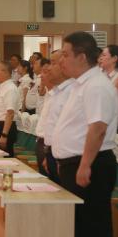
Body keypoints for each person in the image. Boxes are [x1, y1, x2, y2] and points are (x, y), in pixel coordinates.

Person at [52, 32, 118, 237]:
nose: (61, 61)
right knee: (79, 229)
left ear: (81, 57)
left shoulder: (96, 85)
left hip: (91, 165)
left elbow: (98, 129)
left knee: (93, 230)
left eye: (65, 55)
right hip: (77, 163)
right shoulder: (80, 84)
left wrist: (84, 165)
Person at [39, 50, 74, 182]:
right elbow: (52, 124)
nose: (48, 68)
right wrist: (48, 154)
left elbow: (68, 129)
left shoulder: (71, 91)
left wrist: (59, 158)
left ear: (63, 65)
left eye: (53, 63)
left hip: (64, 156)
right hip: (51, 152)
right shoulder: (57, 91)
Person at [0, 62, 20, 155]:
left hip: (4, 127)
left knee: (4, 158)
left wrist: (4, 135)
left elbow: (10, 113)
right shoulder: (1, 87)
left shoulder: (10, 88)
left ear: (6, 72)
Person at [100, 44, 118, 127]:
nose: (101, 58)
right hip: (101, 117)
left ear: (114, 58)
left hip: (116, 119)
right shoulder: (100, 75)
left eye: (104, 55)